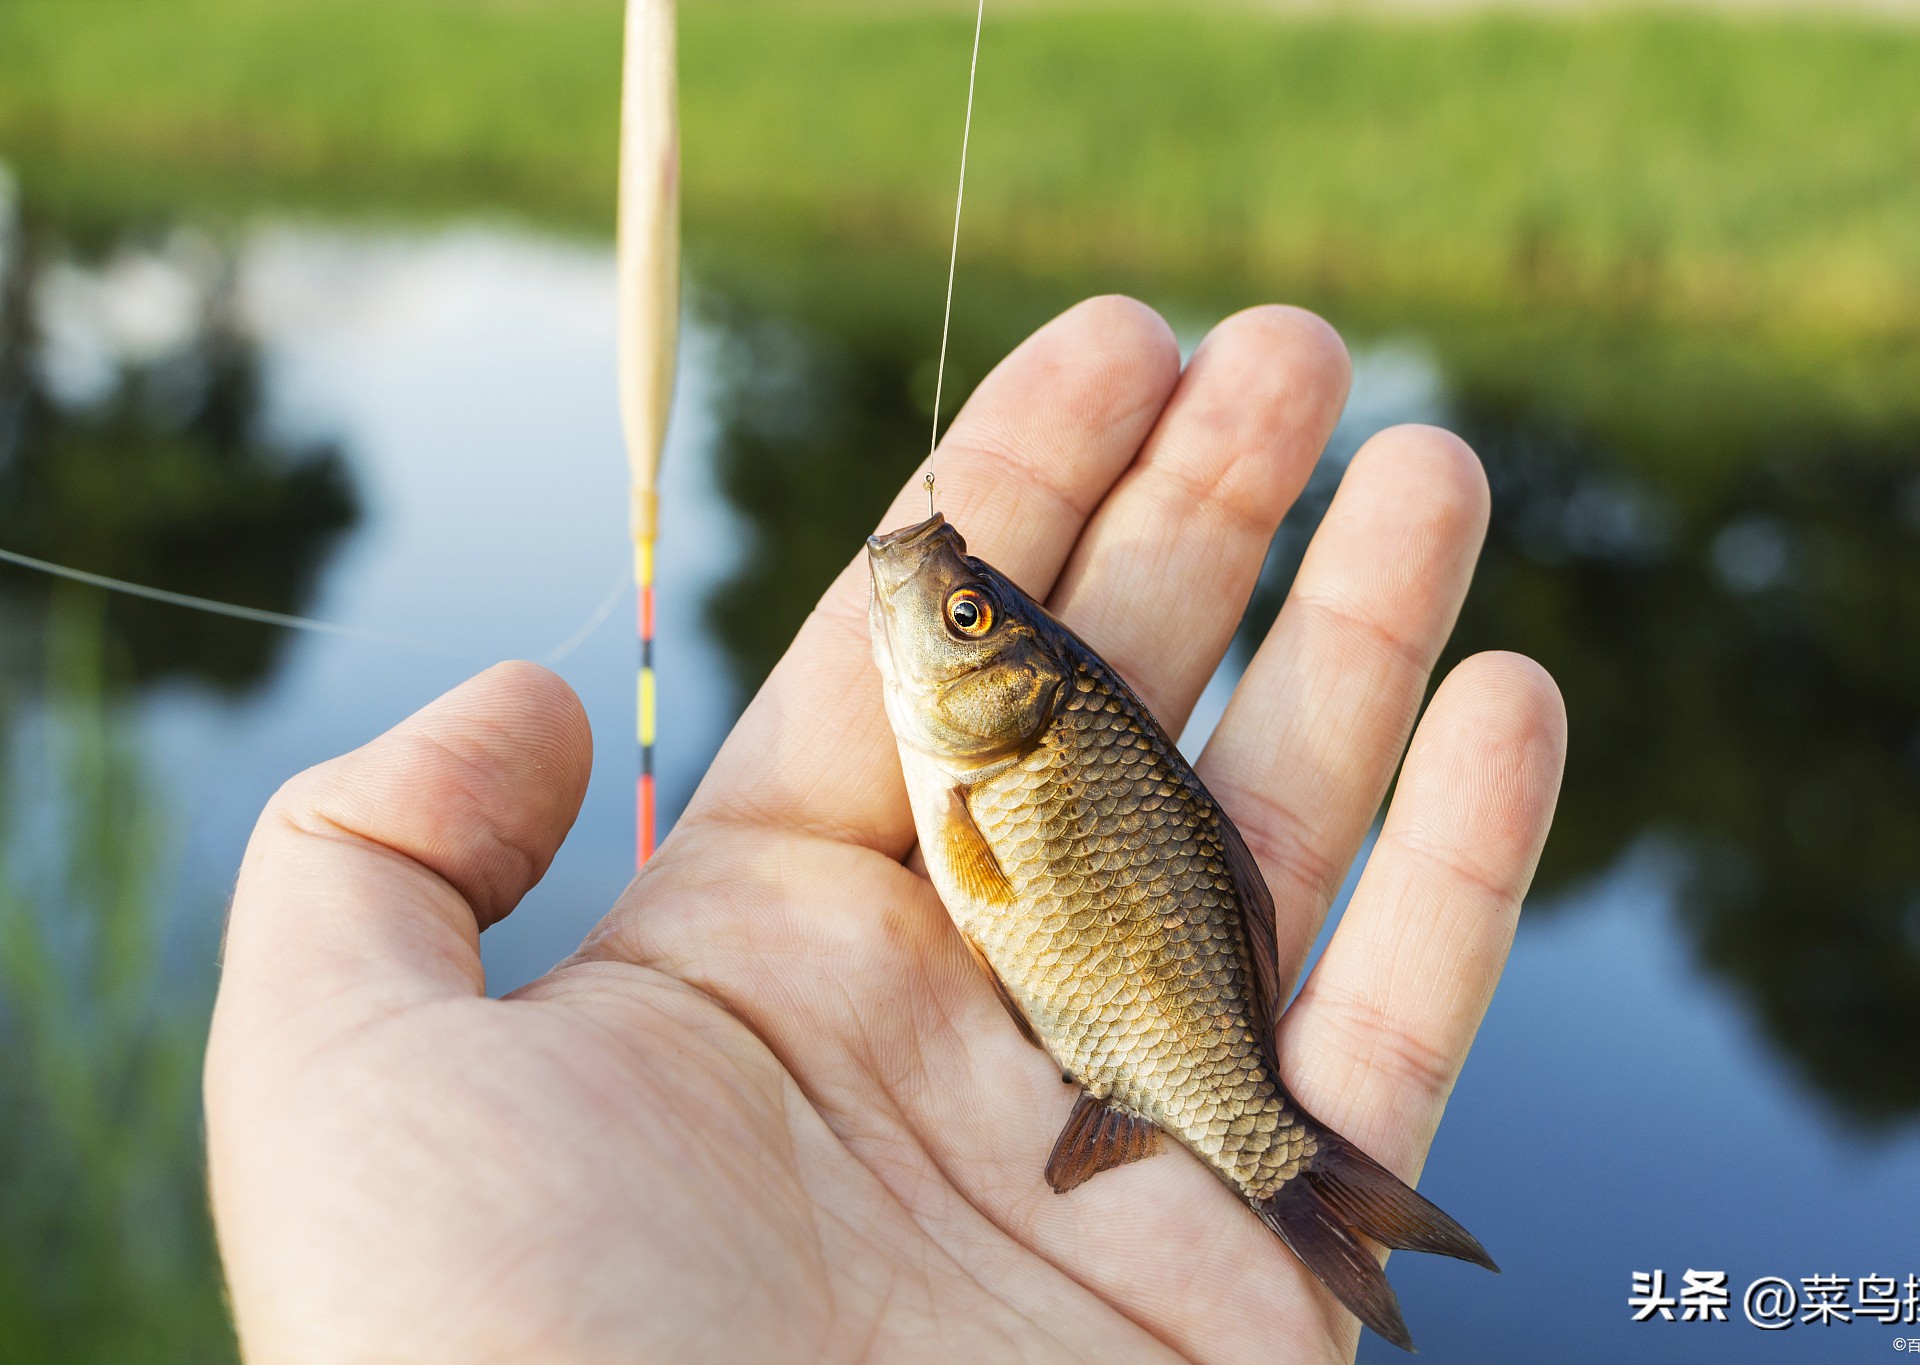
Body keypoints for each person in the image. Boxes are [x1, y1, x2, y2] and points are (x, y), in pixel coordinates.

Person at [204, 297, 1566, 1363]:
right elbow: (981, 872)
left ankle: (1286, 1165)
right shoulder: (995, 746)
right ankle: (1291, 1172)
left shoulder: (1021, 752)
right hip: (1126, 1022)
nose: (944, 598)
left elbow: (983, 867)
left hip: (1153, 1025)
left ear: (1013, 684)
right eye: (974, 611)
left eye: (968, 618)